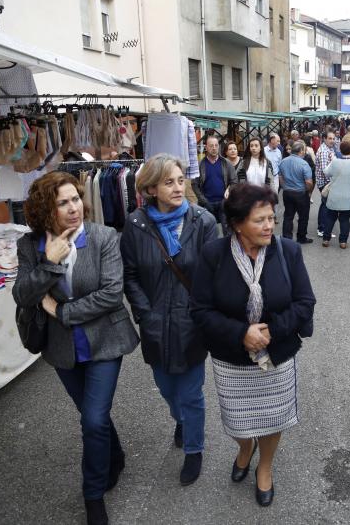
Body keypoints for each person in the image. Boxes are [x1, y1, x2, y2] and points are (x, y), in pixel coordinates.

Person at [13, 172, 139, 525]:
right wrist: (50, 262)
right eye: (62, 203)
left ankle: (93, 495)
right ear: (44, 210)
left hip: (104, 341)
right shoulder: (30, 246)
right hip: (62, 348)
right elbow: (23, 294)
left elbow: (112, 295)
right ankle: (114, 456)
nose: (73, 209)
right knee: (92, 415)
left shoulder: (103, 237)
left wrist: (62, 310)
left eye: (75, 200)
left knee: (93, 417)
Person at [190, 184, 316, 507]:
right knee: (237, 422)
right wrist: (240, 333)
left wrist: (271, 331)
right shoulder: (214, 255)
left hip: (276, 357)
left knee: (274, 420)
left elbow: (304, 302)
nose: (269, 226)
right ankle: (245, 448)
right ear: (237, 224)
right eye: (260, 220)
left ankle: (265, 465)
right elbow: (200, 310)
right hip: (232, 359)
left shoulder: (287, 251)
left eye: (272, 218)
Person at [120, 155, 218, 487]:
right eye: (168, 182)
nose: (178, 187)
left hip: (191, 324)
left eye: (180, 180)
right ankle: (181, 420)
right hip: (155, 324)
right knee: (166, 388)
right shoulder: (135, 225)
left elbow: (212, 276)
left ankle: (194, 448)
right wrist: (145, 314)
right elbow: (130, 275)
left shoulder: (202, 221)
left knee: (191, 393)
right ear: (149, 188)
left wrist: (203, 315)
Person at [321, 140, 350, 249]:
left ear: (340, 150)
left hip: (334, 196)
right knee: (345, 219)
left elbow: (326, 172)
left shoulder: (335, 162)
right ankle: (343, 242)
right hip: (349, 197)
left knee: (330, 218)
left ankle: (326, 239)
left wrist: (332, 161)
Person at [198, 136, 237, 234]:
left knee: (228, 231)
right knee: (209, 232)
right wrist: (203, 200)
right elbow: (194, 184)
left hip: (223, 202)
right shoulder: (201, 165)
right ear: (206, 147)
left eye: (216, 145)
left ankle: (228, 248)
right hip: (207, 204)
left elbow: (234, 181)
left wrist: (229, 189)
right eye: (211, 146)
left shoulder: (226, 163)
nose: (214, 148)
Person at [278, 140, 314, 243]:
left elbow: (280, 177)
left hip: (287, 192)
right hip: (300, 193)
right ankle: (301, 237)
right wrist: (308, 190)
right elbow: (308, 182)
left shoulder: (283, 161)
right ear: (301, 151)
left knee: (288, 216)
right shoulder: (304, 164)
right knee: (303, 216)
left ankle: (286, 238)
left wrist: (285, 187)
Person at [315, 131, 337, 237]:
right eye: (330, 138)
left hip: (326, 182)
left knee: (325, 205)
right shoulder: (324, 151)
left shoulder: (329, 148)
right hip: (325, 182)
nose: (332, 140)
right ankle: (322, 229)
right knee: (326, 206)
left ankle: (322, 227)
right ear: (324, 139)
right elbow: (325, 171)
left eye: (333, 138)